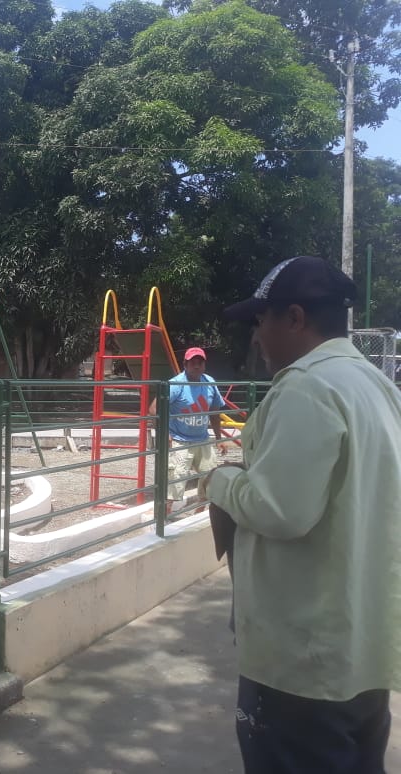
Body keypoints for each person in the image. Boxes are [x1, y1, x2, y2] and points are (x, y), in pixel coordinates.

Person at [202, 255, 401, 773]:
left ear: (293, 318)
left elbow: (279, 509)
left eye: (259, 321)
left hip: (301, 663)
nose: (256, 337)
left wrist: (218, 481)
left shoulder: (306, 386)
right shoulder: (375, 384)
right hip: (360, 651)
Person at [149, 347, 226, 508]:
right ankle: (165, 514)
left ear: (204, 365)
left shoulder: (209, 382)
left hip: (202, 438)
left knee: (210, 475)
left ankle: (200, 508)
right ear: (185, 364)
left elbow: (215, 412)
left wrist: (219, 439)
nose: (196, 366)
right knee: (176, 479)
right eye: (193, 362)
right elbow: (154, 409)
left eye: (200, 362)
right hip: (179, 438)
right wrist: (165, 433)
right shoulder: (176, 384)